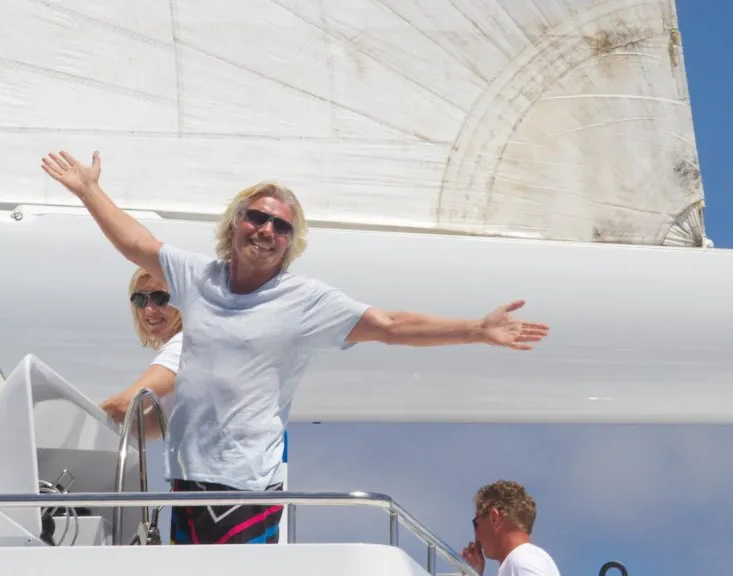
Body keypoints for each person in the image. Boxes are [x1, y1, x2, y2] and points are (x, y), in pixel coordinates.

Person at [40, 150, 550, 545]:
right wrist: (89, 191)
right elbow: (137, 243)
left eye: (281, 226)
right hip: (186, 487)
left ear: (291, 242)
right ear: (234, 223)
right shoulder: (198, 277)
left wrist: (475, 329)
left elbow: (389, 324)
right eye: (257, 218)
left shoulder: (305, 301)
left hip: (249, 493)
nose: (266, 230)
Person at [100, 267, 182, 440]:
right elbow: (151, 427)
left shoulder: (187, 342)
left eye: (160, 298)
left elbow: (128, 402)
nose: (149, 310)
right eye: (140, 300)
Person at [462, 480, 561, 576]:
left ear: (494, 518)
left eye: (476, 523)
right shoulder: (528, 559)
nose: (476, 536)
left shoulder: (521, 560)